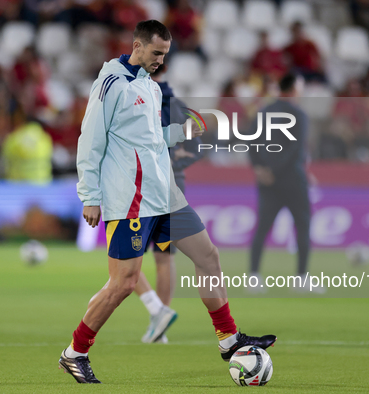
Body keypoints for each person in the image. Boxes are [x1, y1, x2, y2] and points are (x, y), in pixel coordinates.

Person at [60, 20, 276, 384]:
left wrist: (180, 131)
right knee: (124, 283)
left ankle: (228, 340)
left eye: (165, 54)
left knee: (208, 256)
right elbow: (90, 140)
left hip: (165, 195)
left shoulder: (150, 85)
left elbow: (149, 139)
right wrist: (90, 196)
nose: (161, 60)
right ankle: (75, 352)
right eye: (157, 52)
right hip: (132, 201)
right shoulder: (112, 82)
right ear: (138, 45)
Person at [133, 62, 204, 344]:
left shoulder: (137, 98)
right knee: (164, 258)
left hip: (142, 186)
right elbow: (200, 140)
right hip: (173, 185)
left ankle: (156, 310)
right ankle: (160, 326)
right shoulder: (180, 106)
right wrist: (179, 160)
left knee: (124, 257)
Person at [248, 73, 322, 293]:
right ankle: (301, 278)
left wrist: (261, 169)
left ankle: (253, 278)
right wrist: (276, 170)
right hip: (291, 179)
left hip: (267, 181)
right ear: (294, 89)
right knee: (303, 224)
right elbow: (294, 151)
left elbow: (250, 142)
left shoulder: (263, 112)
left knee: (262, 226)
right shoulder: (298, 114)